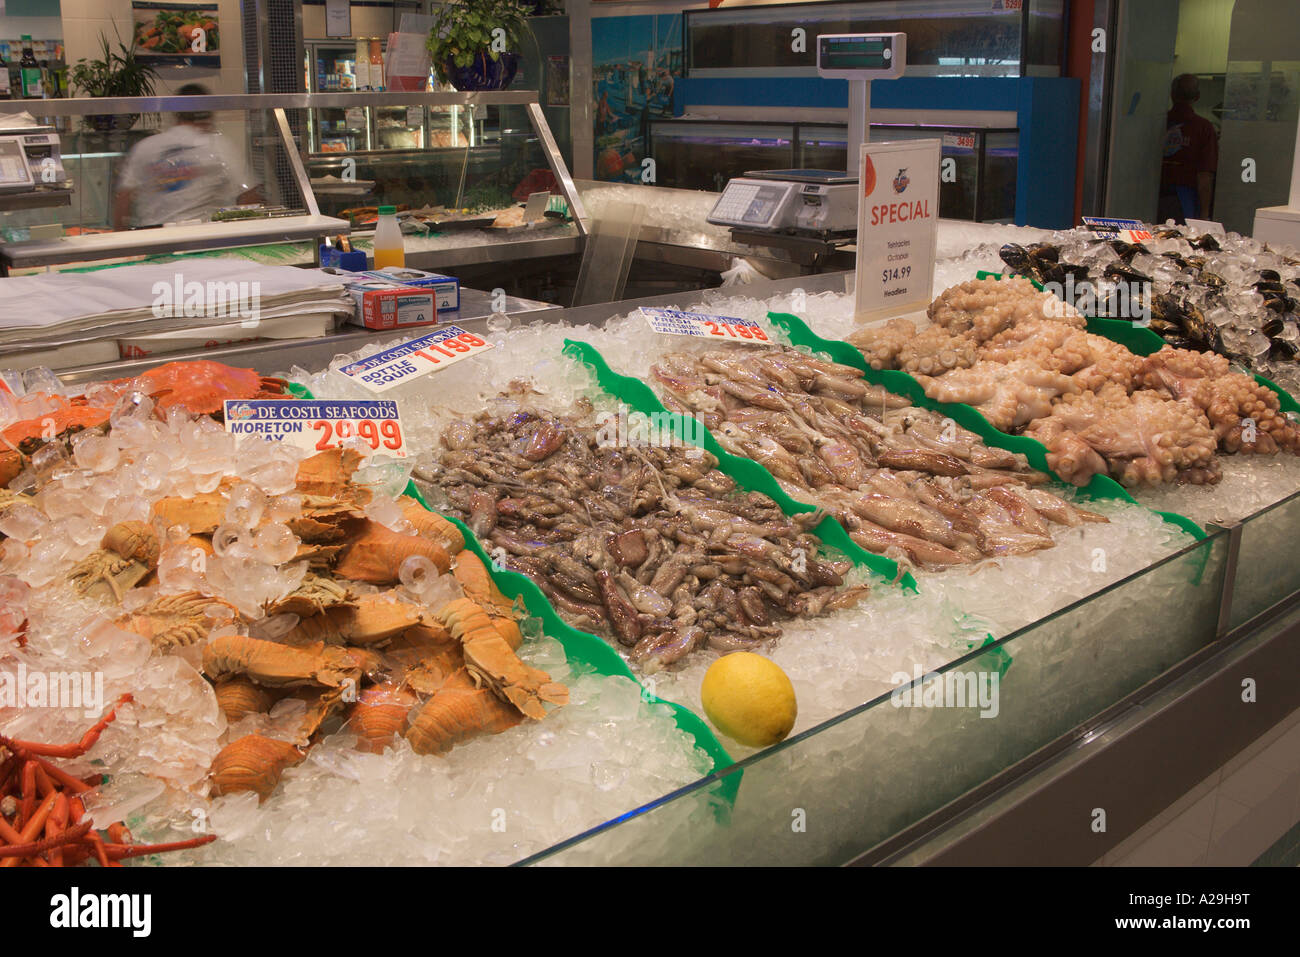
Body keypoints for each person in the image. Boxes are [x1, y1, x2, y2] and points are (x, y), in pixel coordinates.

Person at [113, 83, 263, 229]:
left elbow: (123, 200)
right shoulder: (216, 144)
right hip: (203, 241)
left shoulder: (144, 147)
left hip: (152, 242)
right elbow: (249, 197)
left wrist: (122, 244)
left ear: (175, 113)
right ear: (208, 114)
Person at [1158, 73, 1219, 224]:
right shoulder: (1203, 128)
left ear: (1171, 95)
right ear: (1197, 97)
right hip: (1183, 202)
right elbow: (1205, 176)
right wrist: (1204, 217)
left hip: (1151, 197)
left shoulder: (1157, 124)